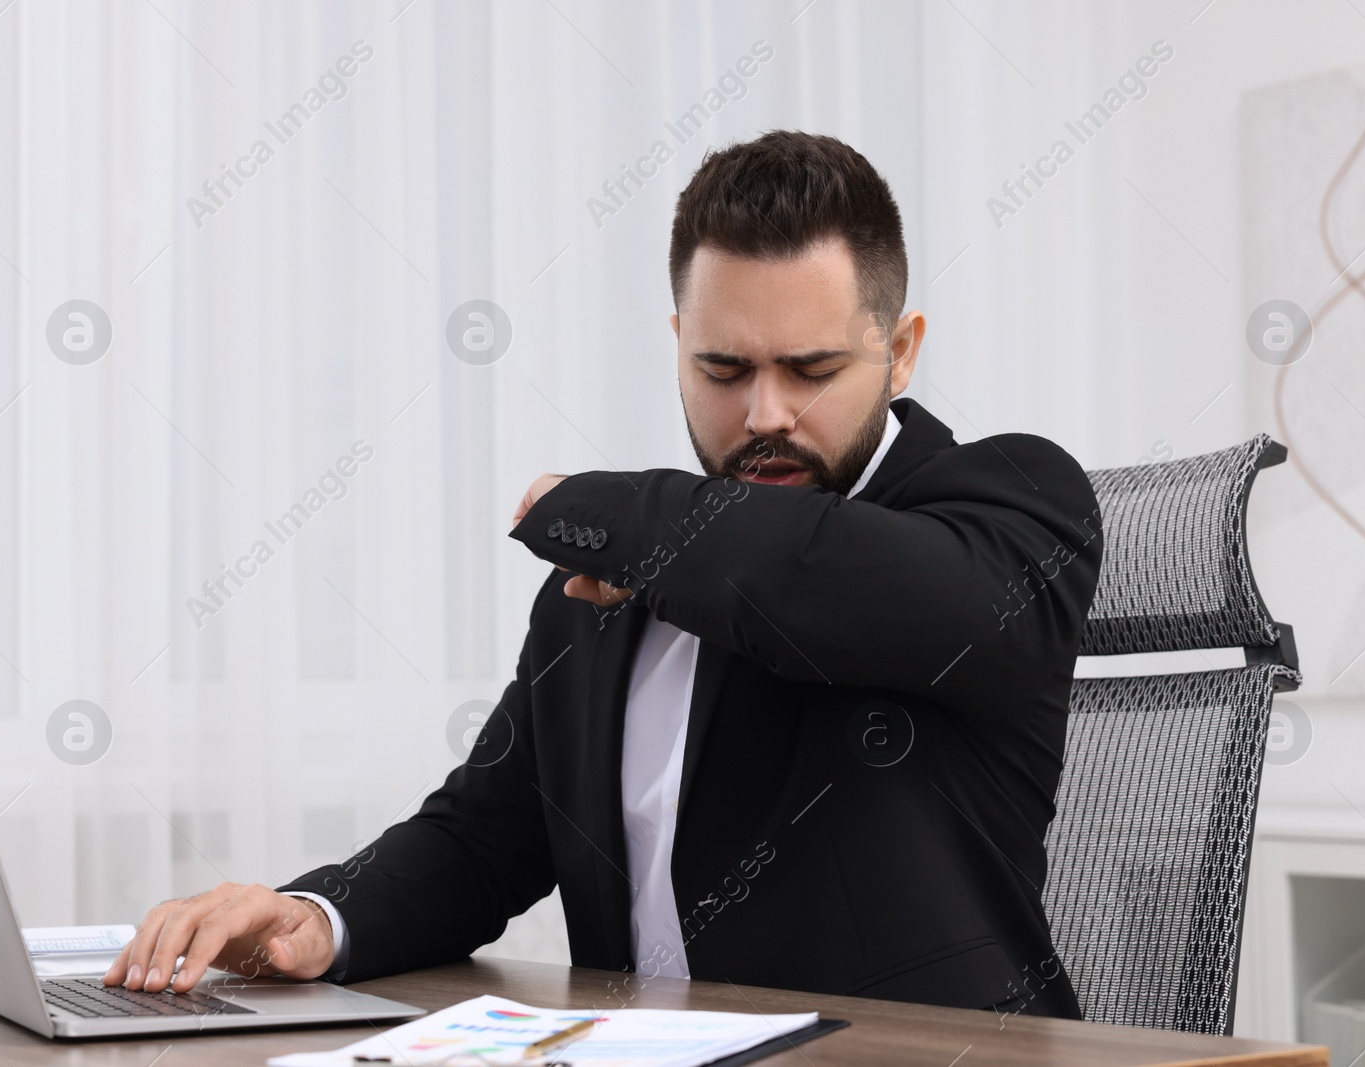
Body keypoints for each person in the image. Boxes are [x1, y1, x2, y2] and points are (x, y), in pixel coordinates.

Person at [104, 129, 1102, 1019]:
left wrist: (592, 511)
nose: (762, 414)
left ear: (902, 351)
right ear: (676, 347)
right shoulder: (608, 586)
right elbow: (483, 834)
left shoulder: (1008, 510)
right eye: (722, 370)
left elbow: (822, 576)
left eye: (809, 369)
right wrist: (315, 917)